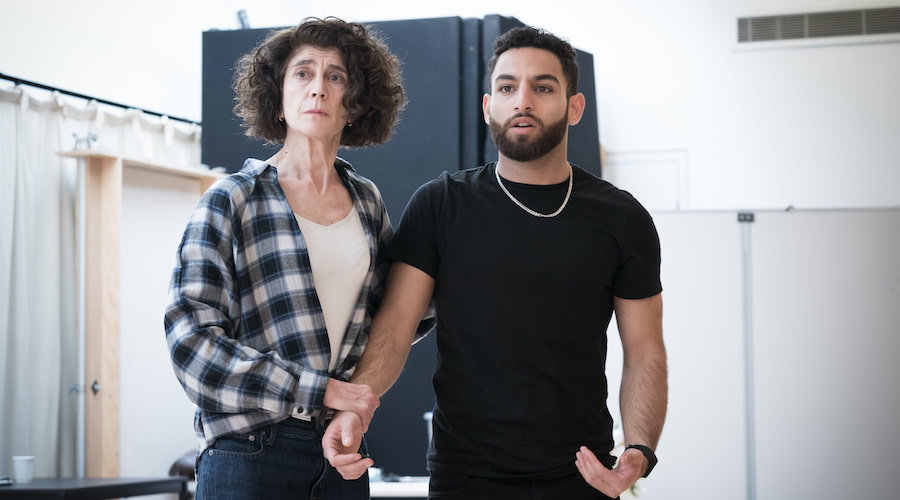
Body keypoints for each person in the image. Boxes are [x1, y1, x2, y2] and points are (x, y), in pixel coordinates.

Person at [322, 25, 668, 500]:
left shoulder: (622, 218)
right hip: (466, 478)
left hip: (582, 476)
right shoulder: (440, 205)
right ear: (489, 107)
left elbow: (645, 348)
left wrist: (641, 449)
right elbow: (396, 328)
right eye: (507, 87)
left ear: (574, 107)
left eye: (543, 87)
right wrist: (354, 408)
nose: (522, 100)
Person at [164, 17, 421, 500]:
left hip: (340, 450)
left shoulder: (367, 202)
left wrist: (350, 407)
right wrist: (321, 390)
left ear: (356, 103)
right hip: (248, 451)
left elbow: (400, 315)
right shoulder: (232, 199)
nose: (318, 89)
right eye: (302, 73)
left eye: (336, 76)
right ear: (277, 99)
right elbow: (191, 345)